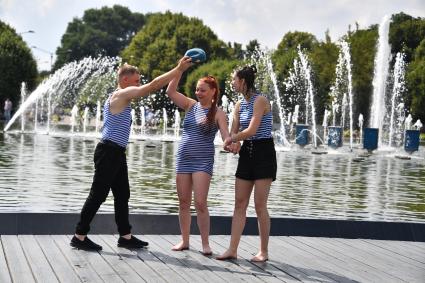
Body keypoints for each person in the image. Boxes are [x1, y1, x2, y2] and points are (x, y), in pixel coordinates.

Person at [70, 56, 193, 251]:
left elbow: (149, 85)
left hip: (116, 152)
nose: (139, 84)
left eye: (139, 81)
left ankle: (125, 237)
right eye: (136, 81)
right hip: (108, 152)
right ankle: (79, 236)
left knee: (122, 195)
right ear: (125, 80)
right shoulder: (121, 94)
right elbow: (152, 86)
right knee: (98, 195)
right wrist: (178, 69)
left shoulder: (122, 96)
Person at [165, 73, 231, 255]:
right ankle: (185, 241)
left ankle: (205, 244)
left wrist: (229, 143)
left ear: (213, 92)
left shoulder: (218, 113)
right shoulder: (190, 105)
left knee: (200, 203)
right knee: (183, 202)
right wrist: (179, 69)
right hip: (183, 159)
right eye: (197, 89)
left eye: (202, 90)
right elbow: (170, 91)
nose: (198, 93)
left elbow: (225, 134)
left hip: (203, 161)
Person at [217, 65, 277, 262]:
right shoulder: (238, 105)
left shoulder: (260, 101)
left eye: (234, 79)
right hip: (247, 154)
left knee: (260, 205)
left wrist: (233, 138)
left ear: (243, 81)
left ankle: (264, 251)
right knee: (239, 203)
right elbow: (235, 134)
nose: (232, 82)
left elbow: (251, 130)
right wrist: (232, 144)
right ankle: (232, 249)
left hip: (263, 153)